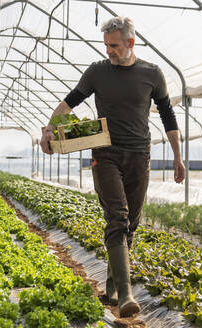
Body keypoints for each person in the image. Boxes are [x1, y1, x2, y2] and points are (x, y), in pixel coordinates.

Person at [40, 16, 185, 317]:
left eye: (114, 46)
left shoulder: (152, 74)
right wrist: (48, 130)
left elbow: (168, 117)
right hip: (104, 153)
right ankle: (126, 296)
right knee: (117, 218)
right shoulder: (97, 72)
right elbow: (69, 103)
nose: (109, 51)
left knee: (130, 225)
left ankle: (112, 287)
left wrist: (178, 156)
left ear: (130, 43)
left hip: (139, 156)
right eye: (106, 46)